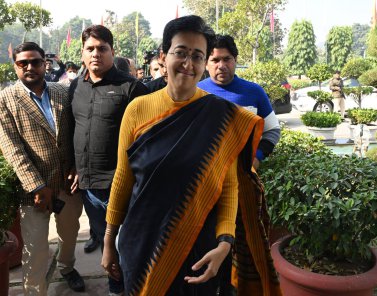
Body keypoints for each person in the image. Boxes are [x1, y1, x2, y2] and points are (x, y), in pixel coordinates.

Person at [102, 15, 281, 295]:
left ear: (204, 63)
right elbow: (123, 178)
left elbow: (230, 185)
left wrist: (225, 243)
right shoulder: (137, 109)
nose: (188, 63)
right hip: (140, 245)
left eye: (197, 56)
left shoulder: (221, 116)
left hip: (199, 249)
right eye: (181, 53)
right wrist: (109, 240)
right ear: (163, 56)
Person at [69, 25, 148, 295]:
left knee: (125, 244)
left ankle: (129, 287)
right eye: (90, 48)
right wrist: (75, 167)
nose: (95, 54)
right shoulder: (75, 86)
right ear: (82, 53)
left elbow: (144, 141)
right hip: (88, 186)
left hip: (121, 186)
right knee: (106, 243)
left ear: (112, 52)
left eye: (102, 48)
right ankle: (117, 288)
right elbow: (73, 130)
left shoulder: (131, 88)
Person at [0, 42, 84, 295]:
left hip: (68, 182)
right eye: (22, 63)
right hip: (33, 191)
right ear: (15, 66)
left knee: (69, 234)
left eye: (35, 62)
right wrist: (36, 186)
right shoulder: (5, 99)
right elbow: (10, 146)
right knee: (35, 250)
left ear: (44, 63)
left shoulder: (62, 91)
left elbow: (79, 133)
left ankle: (67, 267)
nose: (29, 67)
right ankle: (35, 291)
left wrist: (78, 166)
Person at [198, 34, 280, 170]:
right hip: (204, 176)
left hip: (243, 176)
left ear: (235, 59)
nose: (221, 65)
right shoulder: (195, 93)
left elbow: (273, 131)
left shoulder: (255, 92)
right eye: (215, 60)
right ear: (206, 63)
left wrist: (256, 157)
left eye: (226, 59)